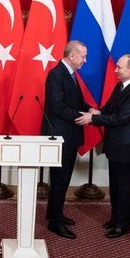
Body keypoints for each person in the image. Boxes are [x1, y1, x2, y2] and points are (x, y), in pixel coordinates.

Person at [76, 54, 130, 238]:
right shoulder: (120, 86)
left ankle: (123, 224)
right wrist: (95, 111)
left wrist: (94, 119)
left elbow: (120, 118)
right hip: (116, 146)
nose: (115, 70)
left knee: (126, 187)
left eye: (119, 67)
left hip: (127, 147)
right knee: (115, 186)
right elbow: (109, 110)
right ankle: (115, 218)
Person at [42, 41, 91, 239]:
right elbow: (57, 106)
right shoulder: (57, 74)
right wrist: (82, 116)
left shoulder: (69, 73)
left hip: (69, 136)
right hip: (61, 137)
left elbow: (74, 101)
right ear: (72, 55)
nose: (85, 61)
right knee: (60, 179)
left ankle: (56, 214)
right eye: (83, 56)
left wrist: (89, 110)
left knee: (63, 180)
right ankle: (54, 223)